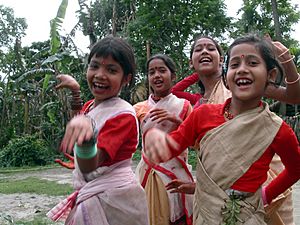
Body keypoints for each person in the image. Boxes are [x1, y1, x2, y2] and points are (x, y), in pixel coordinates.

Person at [144, 34, 300, 225]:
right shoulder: (202, 115)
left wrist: (267, 195)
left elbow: (296, 169)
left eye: (252, 63)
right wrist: (156, 143)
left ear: (271, 75)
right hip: (206, 214)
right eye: (234, 65)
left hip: (249, 217)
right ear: (226, 73)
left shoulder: (277, 129)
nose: (242, 70)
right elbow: (171, 146)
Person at [47, 36, 149, 225]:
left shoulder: (122, 116)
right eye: (94, 66)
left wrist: (86, 141)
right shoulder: (91, 106)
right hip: (99, 193)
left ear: (126, 79)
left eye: (111, 70)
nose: (100, 75)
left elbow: (90, 165)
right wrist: (76, 92)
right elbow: (82, 121)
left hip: (114, 202)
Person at [134, 53, 194, 225]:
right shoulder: (139, 108)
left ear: (173, 76)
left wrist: (178, 122)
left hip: (175, 174)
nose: (156, 76)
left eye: (162, 70)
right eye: (151, 72)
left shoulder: (184, 106)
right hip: (147, 173)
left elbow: (196, 142)